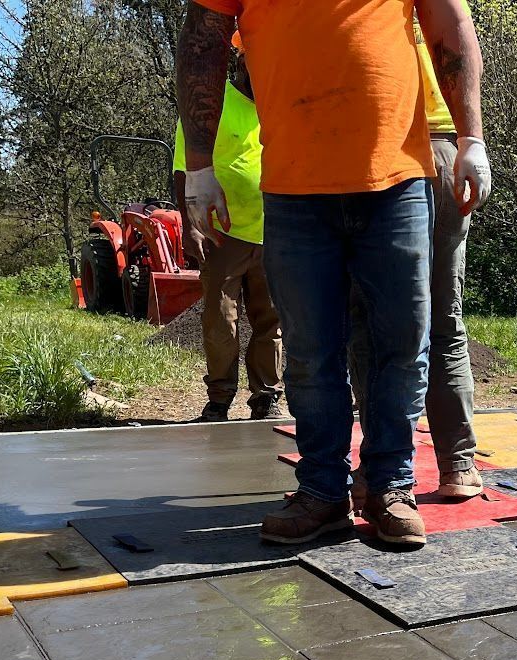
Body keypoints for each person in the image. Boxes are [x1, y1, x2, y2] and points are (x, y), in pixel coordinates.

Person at [176, 0, 490, 548]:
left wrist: (472, 138)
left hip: (395, 180)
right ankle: (322, 492)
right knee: (309, 351)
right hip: (296, 190)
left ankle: (391, 488)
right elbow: (203, 43)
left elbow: (449, 25)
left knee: (402, 343)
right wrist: (199, 165)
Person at [348, 16, 489, 503]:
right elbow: (460, 49)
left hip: (382, 150)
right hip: (441, 144)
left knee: (368, 320)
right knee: (443, 319)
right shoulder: (430, 10)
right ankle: (457, 464)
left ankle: (379, 470)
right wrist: (473, 141)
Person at [172, 34, 283, 423]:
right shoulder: (212, 104)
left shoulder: (279, 105)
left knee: (271, 320)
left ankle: (266, 397)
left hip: (275, 233)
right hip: (223, 233)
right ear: (242, 61)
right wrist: (190, 224)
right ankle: (219, 399)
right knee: (221, 318)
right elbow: (182, 168)